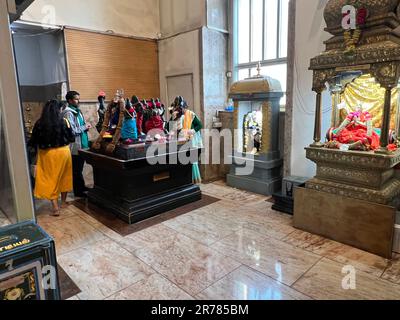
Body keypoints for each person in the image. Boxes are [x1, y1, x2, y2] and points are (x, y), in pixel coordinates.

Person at [28, 100, 75, 216]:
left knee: (49, 178)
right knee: (65, 176)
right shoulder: (64, 121)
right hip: (64, 152)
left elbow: (33, 141)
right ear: (58, 110)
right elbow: (72, 138)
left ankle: (55, 207)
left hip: (47, 154)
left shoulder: (39, 123)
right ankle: (63, 202)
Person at [63, 91, 92, 197]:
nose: (78, 101)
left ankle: (82, 186)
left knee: (80, 167)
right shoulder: (68, 112)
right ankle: (78, 191)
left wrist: (85, 127)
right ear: (69, 100)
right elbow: (73, 131)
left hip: (82, 143)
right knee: (76, 169)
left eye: (78, 98)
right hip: (75, 145)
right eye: (76, 99)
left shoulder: (77, 111)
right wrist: (85, 127)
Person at [169, 96, 203, 184]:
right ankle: (184, 181)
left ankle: (193, 180)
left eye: (182, 108)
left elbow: (199, 125)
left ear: (185, 107)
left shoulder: (191, 114)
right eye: (178, 108)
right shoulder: (176, 114)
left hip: (191, 139)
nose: (180, 110)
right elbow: (169, 127)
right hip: (180, 141)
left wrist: (192, 131)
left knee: (192, 160)